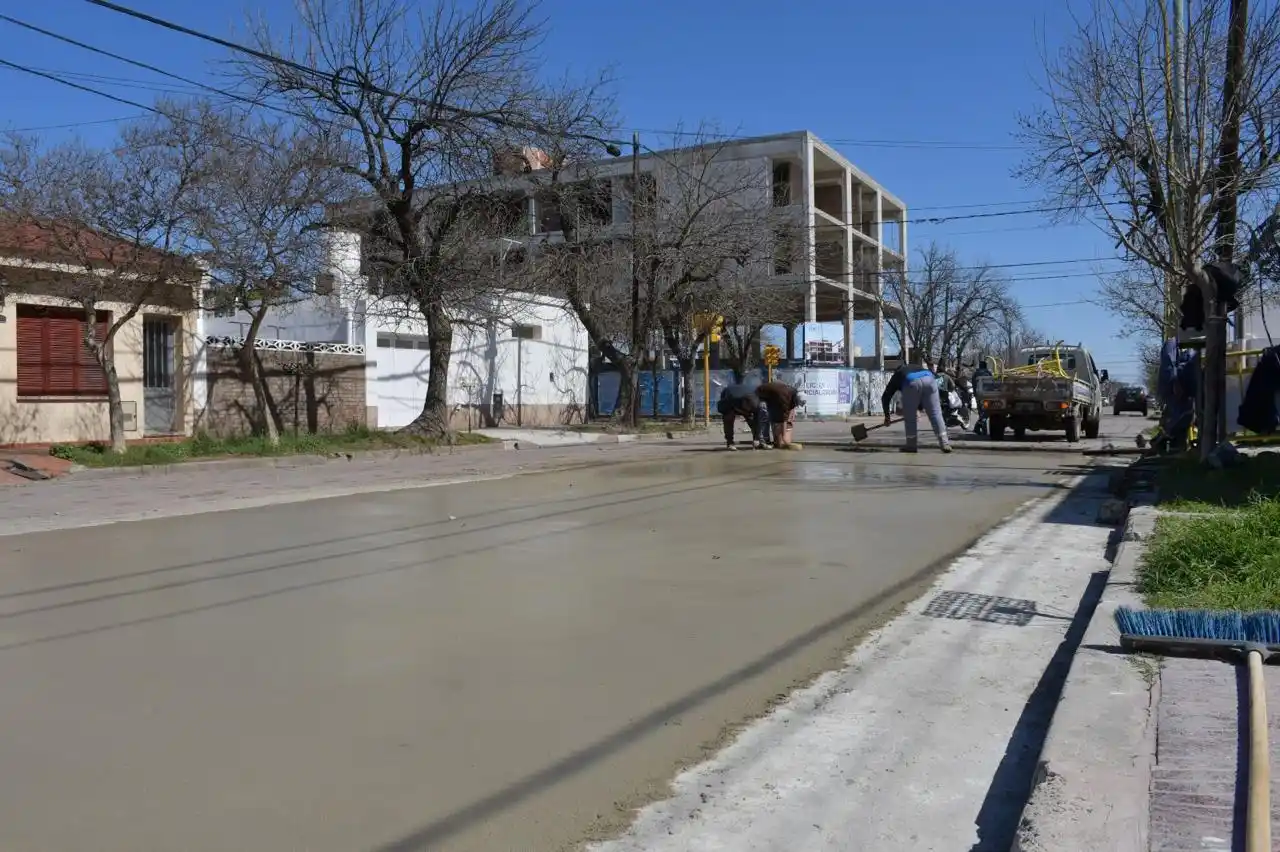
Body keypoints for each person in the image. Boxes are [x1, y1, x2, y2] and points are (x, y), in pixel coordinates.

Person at [881, 360, 952, 453]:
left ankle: (911, 445)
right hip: (930, 379)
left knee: (910, 417)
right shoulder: (915, 366)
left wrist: (887, 416)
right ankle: (945, 443)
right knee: (936, 414)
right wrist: (919, 408)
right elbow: (924, 386)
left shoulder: (897, 375)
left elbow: (885, 397)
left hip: (911, 381)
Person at [755, 380, 807, 449]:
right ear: (796, 399)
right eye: (797, 403)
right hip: (760, 394)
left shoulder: (792, 393)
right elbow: (784, 419)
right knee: (765, 416)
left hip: (771, 397)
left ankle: (769, 440)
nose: (796, 405)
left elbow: (785, 415)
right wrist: (784, 437)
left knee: (774, 417)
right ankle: (763, 442)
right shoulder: (785, 398)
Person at [717, 382, 767, 450]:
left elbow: (758, 421)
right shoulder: (731, 399)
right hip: (730, 401)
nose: (749, 411)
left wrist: (757, 438)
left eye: (751, 409)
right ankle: (730, 443)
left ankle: (760, 441)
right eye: (748, 408)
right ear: (744, 403)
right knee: (728, 419)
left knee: (753, 421)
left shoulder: (757, 404)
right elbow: (722, 409)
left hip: (745, 397)